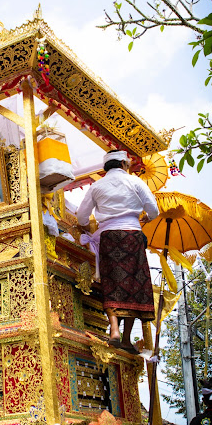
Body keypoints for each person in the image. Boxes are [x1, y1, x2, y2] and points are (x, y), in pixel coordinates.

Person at [76, 150, 159, 353]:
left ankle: (114, 329)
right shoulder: (136, 182)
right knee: (133, 284)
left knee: (112, 281)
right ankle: (126, 339)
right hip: (133, 235)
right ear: (123, 163)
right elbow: (154, 210)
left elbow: (81, 218)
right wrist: (147, 216)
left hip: (109, 237)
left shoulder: (97, 186)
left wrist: (86, 227)